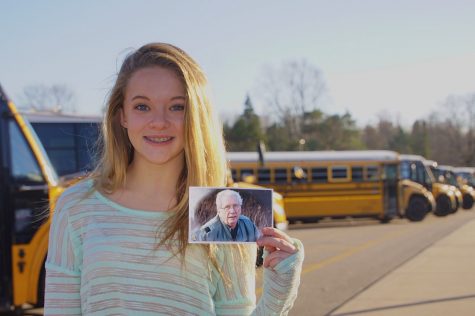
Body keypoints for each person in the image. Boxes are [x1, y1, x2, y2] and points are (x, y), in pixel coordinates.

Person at [44, 43, 304, 315]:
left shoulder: (225, 211)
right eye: (142, 106)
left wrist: (279, 292)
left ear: (196, 116)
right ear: (122, 115)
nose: (159, 121)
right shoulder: (76, 207)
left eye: (177, 107)